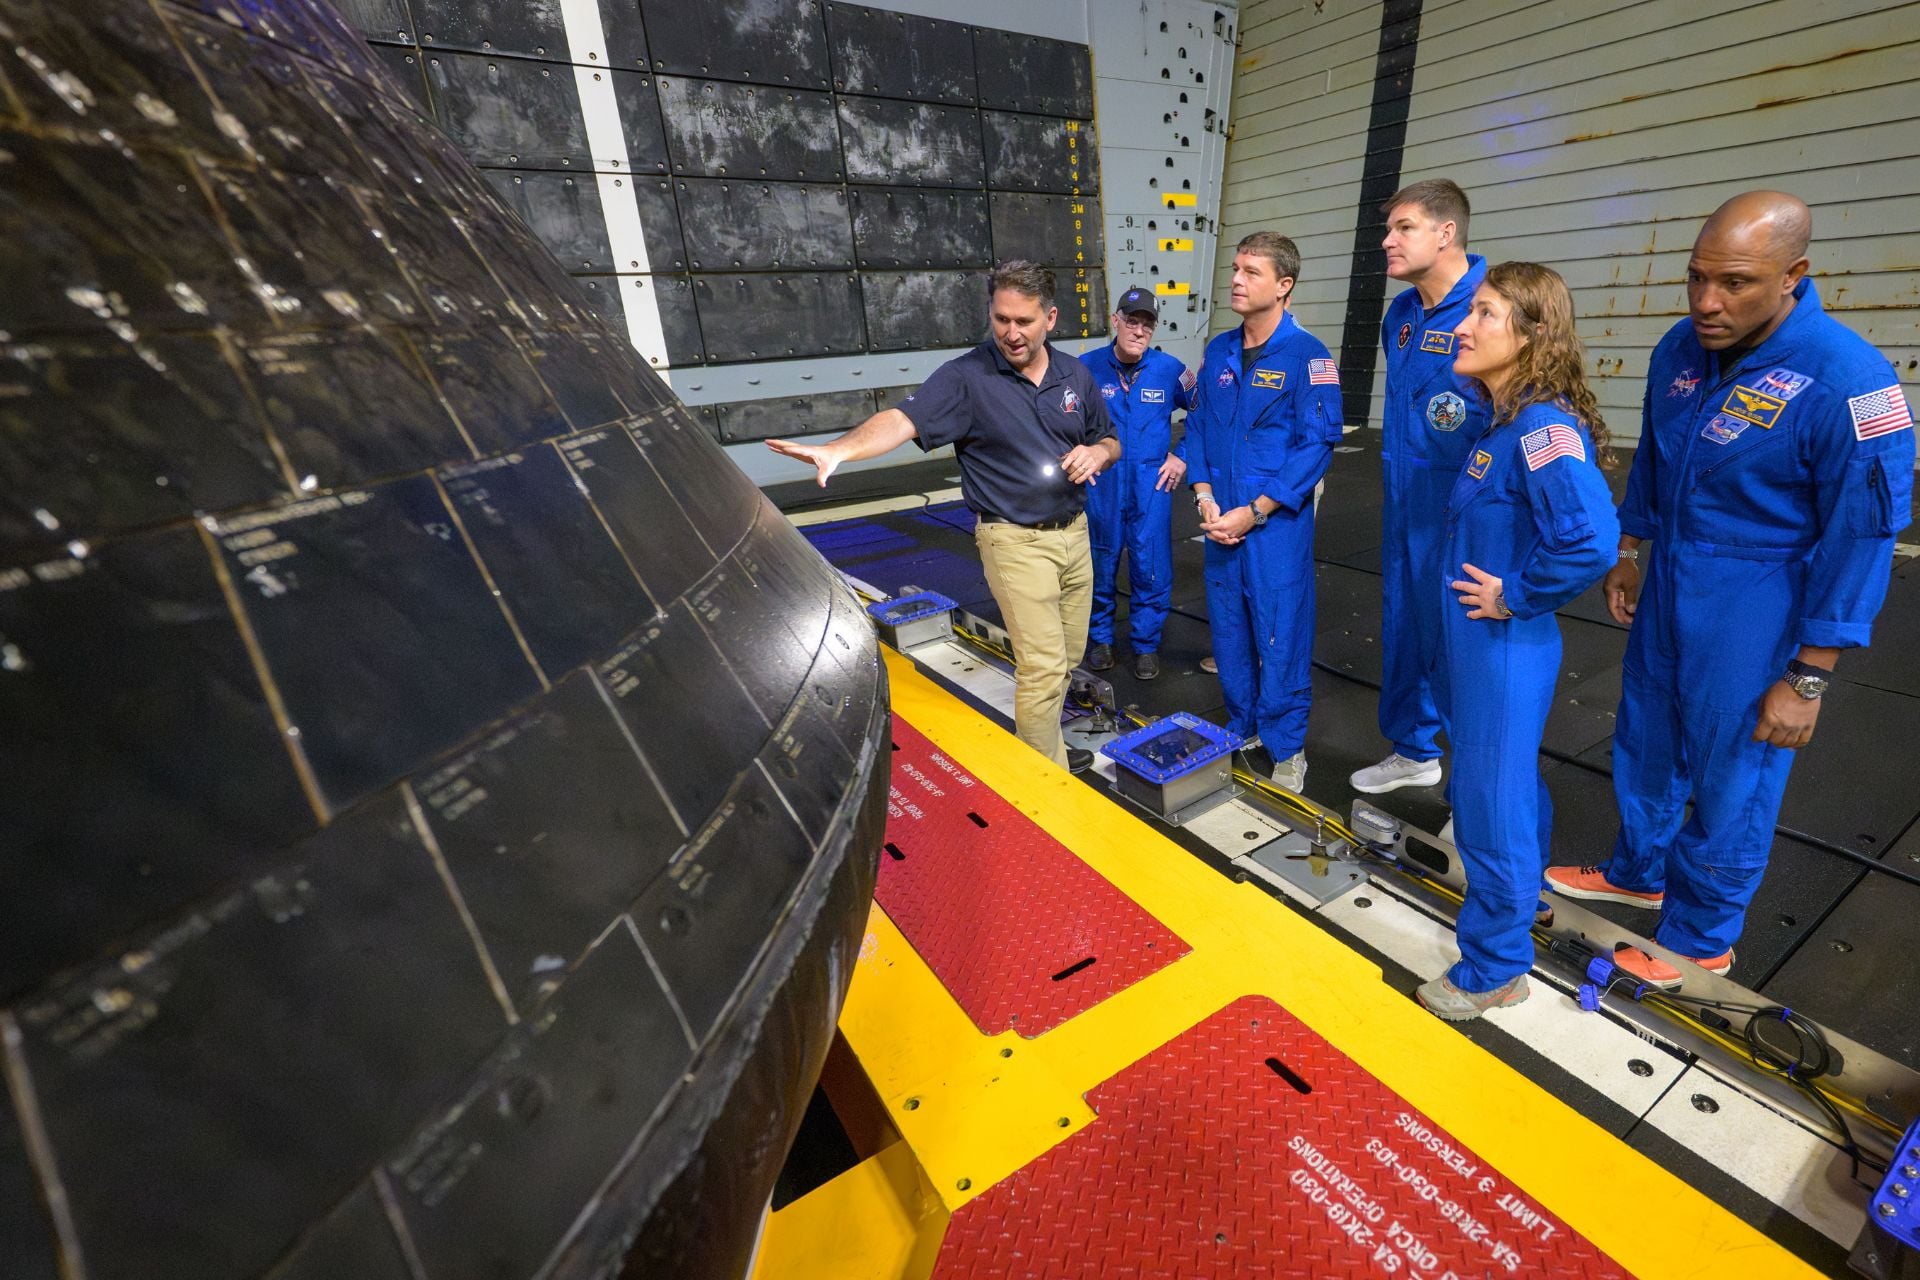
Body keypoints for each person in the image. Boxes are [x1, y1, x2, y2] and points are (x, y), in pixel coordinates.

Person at [1546, 192, 1915, 987]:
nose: (1708, 302)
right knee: (1645, 738)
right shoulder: (1683, 348)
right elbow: (1655, 454)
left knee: (1732, 772)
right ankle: (1638, 871)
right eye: (1696, 278)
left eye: (1737, 283)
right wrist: (1629, 546)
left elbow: (1863, 538)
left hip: (1761, 593)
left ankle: (1701, 937)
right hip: (1672, 574)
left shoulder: (1851, 383)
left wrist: (1809, 674)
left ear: (1794, 276)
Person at [766, 260, 1120, 773]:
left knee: (1065, 659)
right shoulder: (966, 377)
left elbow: (1109, 437)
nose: (1011, 333)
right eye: (1001, 319)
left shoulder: (1075, 374)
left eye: (1024, 321)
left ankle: (1049, 748)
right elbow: (901, 420)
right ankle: (1048, 779)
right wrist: (839, 450)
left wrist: (1099, 454)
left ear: (1050, 318)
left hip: (1074, 535)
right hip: (1014, 542)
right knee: (1043, 670)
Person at [1415, 263, 1621, 1021]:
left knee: (1488, 803)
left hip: (1502, 652)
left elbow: (1591, 542)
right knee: (1502, 788)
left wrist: (1513, 596)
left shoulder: (1540, 428)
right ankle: (1525, 897)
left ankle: (1497, 965)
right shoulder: (1502, 420)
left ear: (1532, 335)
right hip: (1480, 651)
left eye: (1487, 314)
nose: (1464, 327)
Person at [1184, 232, 1343, 790]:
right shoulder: (1220, 351)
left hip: (1274, 525)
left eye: (1252, 272)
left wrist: (1256, 509)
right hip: (1220, 518)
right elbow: (1199, 427)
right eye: (1235, 269)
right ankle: (1243, 724)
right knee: (1228, 628)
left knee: (1280, 632)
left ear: (1284, 285)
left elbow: (1316, 446)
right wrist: (1204, 496)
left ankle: (1286, 746)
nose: (1236, 280)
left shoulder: (1309, 358)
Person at [1351, 179, 1492, 797]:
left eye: (1403, 227)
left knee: (1466, 647)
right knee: (1406, 627)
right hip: (1406, 504)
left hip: (1469, 515)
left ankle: (1478, 791)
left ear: (1446, 233)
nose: (1387, 241)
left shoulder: (1495, 308)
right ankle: (1414, 750)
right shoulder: (1402, 316)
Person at [1080, 286, 1197, 681]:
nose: (1139, 331)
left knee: (1151, 566)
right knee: (1100, 561)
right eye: (1132, 321)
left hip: (1152, 484)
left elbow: (1205, 412)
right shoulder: (1085, 368)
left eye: (1147, 324)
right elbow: (1060, 419)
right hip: (1103, 484)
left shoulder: (1170, 370)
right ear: (1115, 321)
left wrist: (1182, 455)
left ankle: (1146, 644)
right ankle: (1100, 639)